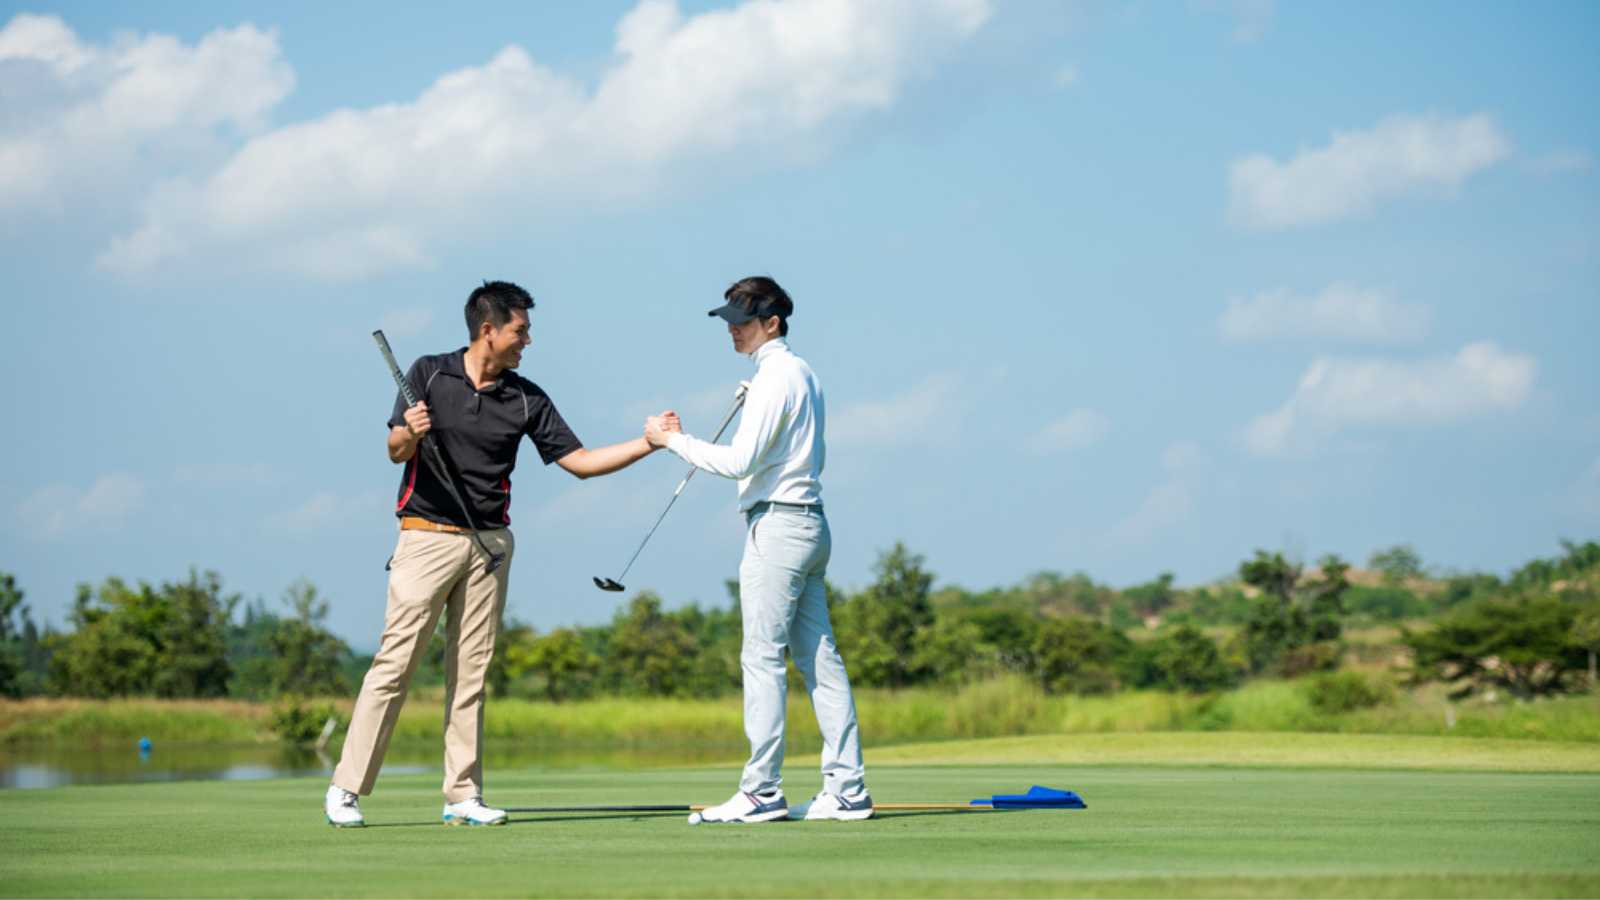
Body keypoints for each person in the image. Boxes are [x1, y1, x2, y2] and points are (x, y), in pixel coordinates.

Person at [325, 280, 668, 828]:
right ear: (489, 330)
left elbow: (578, 462)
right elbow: (395, 451)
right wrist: (409, 433)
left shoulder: (526, 396)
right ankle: (346, 788)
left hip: (490, 545)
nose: (527, 340)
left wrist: (649, 444)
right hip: (425, 537)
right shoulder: (428, 373)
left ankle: (463, 795)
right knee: (395, 665)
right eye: (520, 330)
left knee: (471, 673)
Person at [644, 276, 872, 822]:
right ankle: (847, 789)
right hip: (810, 527)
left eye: (742, 321)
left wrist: (671, 441)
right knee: (821, 661)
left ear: (771, 323)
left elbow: (739, 463)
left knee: (762, 658)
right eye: (728, 320)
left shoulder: (776, 376)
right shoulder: (800, 374)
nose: (732, 330)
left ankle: (762, 790)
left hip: (779, 529)